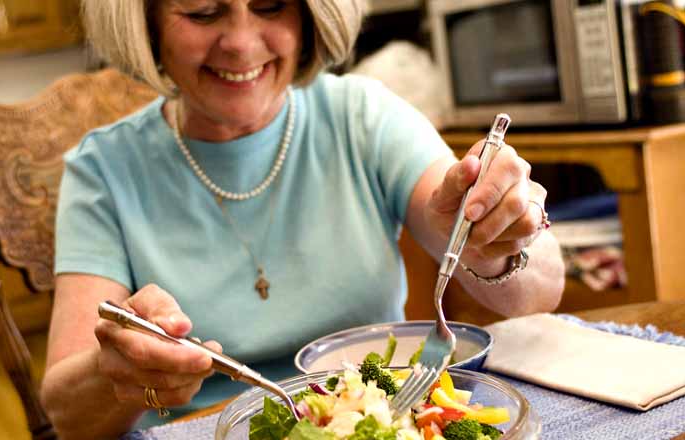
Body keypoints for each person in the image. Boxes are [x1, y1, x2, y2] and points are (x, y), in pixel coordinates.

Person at [39, 0, 565, 438]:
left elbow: (539, 293)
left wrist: (498, 235)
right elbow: (67, 415)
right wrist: (123, 374)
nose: (241, 44)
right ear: (145, 22)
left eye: (270, 5)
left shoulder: (364, 117)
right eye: (202, 11)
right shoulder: (103, 171)